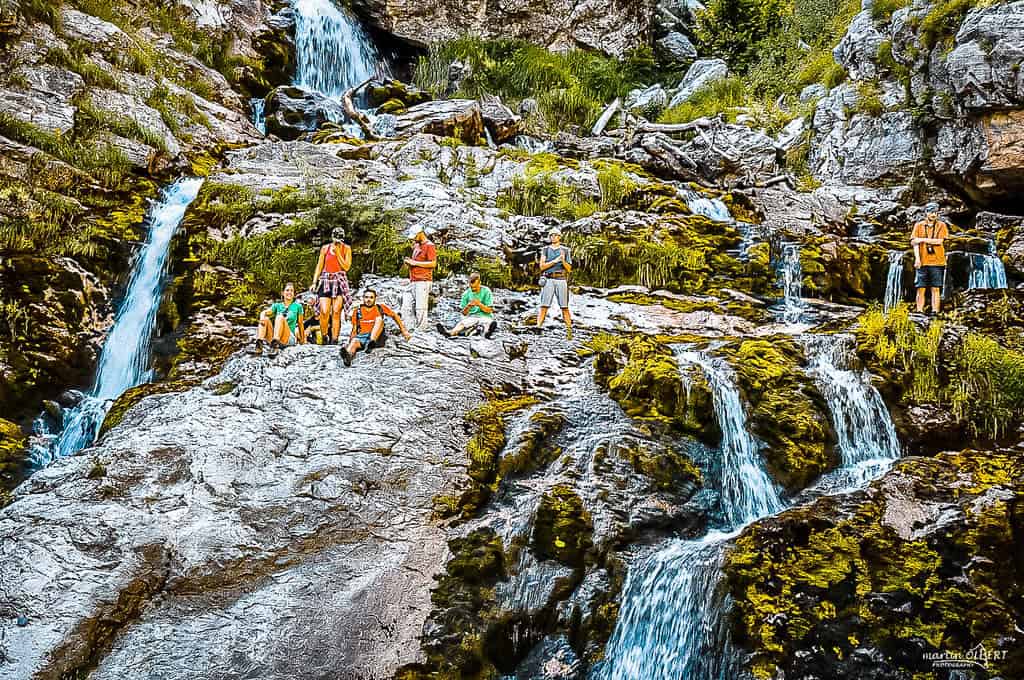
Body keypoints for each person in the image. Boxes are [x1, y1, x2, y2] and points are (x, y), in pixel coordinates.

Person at [340, 289, 411, 367]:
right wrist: (350, 341)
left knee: (379, 319)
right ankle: (348, 357)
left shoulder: (380, 307)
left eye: (371, 297)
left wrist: (404, 331)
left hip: (377, 336)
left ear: (375, 299)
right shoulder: (357, 311)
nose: (368, 300)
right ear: (363, 298)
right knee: (354, 342)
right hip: (362, 336)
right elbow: (354, 328)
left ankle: (372, 342)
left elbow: (395, 316)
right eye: (366, 297)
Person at [311, 226, 352, 344]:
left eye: (339, 240)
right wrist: (315, 282)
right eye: (335, 240)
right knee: (324, 310)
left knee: (336, 311)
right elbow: (319, 265)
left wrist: (338, 253)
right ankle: (324, 336)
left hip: (339, 280)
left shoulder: (347, 249)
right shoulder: (325, 248)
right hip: (326, 279)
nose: (336, 242)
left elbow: (346, 267)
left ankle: (335, 339)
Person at [911, 203, 949, 315]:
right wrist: (917, 259)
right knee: (920, 287)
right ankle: (919, 311)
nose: (933, 215)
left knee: (935, 288)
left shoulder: (941, 225)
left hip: (937, 261)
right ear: (926, 213)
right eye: (931, 212)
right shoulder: (918, 226)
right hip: (922, 261)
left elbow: (939, 241)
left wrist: (921, 239)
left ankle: (935, 311)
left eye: (936, 213)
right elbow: (914, 243)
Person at [536, 228, 573, 339]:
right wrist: (555, 261)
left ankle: (569, 331)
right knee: (544, 306)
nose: (553, 237)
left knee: (564, 307)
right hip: (548, 279)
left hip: (561, 279)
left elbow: (569, 269)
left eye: (555, 235)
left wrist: (562, 261)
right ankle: (537, 328)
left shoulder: (565, 250)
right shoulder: (545, 249)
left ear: (559, 237)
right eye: (551, 235)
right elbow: (542, 266)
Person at [437, 272, 497, 339]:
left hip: (485, 317)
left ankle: (484, 333)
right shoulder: (466, 294)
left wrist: (479, 304)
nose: (473, 289)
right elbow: (464, 313)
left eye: (475, 287)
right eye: (471, 287)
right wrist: (468, 306)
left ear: (480, 283)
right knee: (463, 324)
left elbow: (489, 310)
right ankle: (449, 333)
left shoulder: (486, 291)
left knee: (486, 324)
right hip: (471, 317)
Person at [253, 282, 306, 355]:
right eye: (287, 290)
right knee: (265, 319)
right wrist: (262, 317)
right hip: (275, 336)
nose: (289, 292)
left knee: (279, 317)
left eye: (291, 291)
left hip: (288, 338)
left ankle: (275, 346)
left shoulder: (298, 306)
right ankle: (259, 346)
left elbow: (300, 324)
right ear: (283, 293)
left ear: (294, 294)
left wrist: (302, 342)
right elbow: (265, 312)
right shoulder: (277, 305)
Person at [401, 224, 436, 332]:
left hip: (423, 280)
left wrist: (414, 263)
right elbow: (416, 261)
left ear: (420, 234)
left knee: (421, 308)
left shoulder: (429, 245)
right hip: (413, 280)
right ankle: (409, 328)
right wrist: (409, 262)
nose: (414, 239)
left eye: (415, 236)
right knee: (406, 306)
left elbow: (433, 263)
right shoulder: (416, 245)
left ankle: (421, 330)